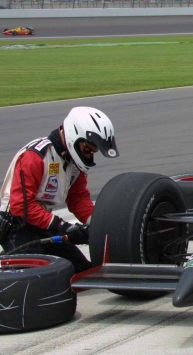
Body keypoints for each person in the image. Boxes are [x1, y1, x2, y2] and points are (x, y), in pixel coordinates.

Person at [0, 107, 119, 273]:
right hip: (16, 225)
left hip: (44, 224)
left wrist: (96, 223)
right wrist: (62, 226)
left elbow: (78, 199)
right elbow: (21, 206)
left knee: (80, 271)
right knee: (36, 277)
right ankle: (10, 259)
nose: (89, 154)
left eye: (94, 151)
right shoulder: (35, 156)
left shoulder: (75, 164)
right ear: (74, 135)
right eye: (88, 149)